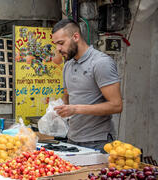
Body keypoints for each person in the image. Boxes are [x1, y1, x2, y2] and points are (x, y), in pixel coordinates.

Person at [52, 19, 123, 152]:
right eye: (56, 44)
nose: (58, 49)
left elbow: (116, 105)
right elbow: (67, 98)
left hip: (98, 142)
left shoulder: (101, 63)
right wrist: (57, 110)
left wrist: (76, 109)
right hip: (72, 139)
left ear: (76, 37)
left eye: (61, 43)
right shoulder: (67, 65)